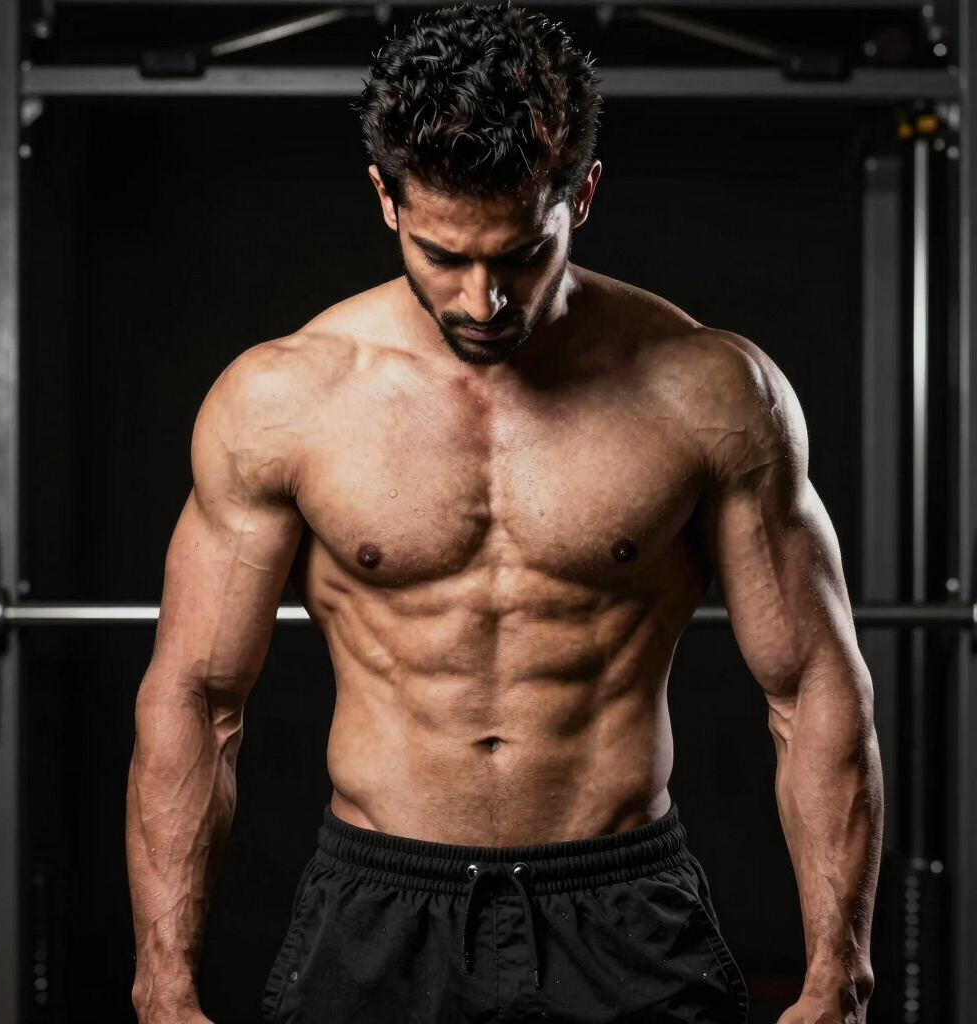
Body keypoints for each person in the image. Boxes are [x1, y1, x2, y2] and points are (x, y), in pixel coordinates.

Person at [126, 5, 882, 1023]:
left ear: (584, 195)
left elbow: (812, 686)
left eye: (522, 253)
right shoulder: (283, 402)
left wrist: (839, 973)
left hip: (621, 901)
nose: (483, 301)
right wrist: (164, 983)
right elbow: (198, 697)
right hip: (379, 903)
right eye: (445, 255)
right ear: (385, 198)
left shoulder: (709, 394)